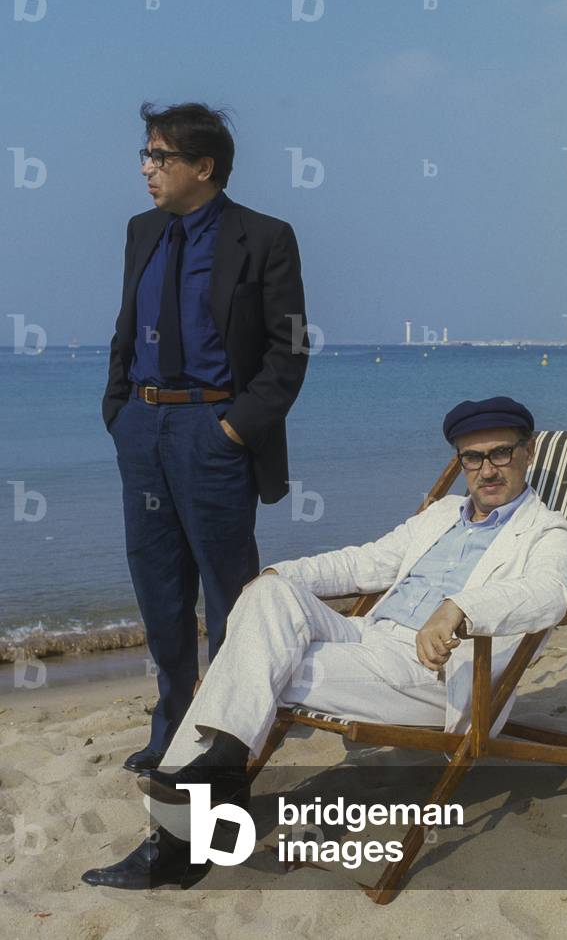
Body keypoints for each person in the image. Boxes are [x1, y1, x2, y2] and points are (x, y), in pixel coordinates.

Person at [83, 396, 567, 890]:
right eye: (473, 457)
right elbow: (364, 562)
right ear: (460, 461)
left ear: (528, 452)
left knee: (249, 663)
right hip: (368, 638)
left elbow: (547, 595)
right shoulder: (443, 513)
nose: (487, 470)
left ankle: (175, 842)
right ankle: (222, 772)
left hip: (433, 669)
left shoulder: (547, 532)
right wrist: (281, 574)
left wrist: (459, 608)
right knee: (270, 596)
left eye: (501, 453)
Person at [102, 102, 309, 773]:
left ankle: (223, 737)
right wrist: (118, 411)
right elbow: (127, 326)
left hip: (212, 430)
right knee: (158, 588)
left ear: (203, 166)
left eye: (160, 156)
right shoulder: (142, 231)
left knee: (228, 596)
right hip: (143, 426)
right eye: (147, 154)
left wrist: (232, 429)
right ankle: (170, 729)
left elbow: (289, 350)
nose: (147, 168)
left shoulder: (265, 237)